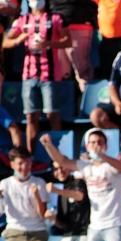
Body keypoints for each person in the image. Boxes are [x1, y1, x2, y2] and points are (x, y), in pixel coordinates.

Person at [41, 129, 121, 241]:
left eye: (100, 142)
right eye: (92, 142)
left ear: (106, 146)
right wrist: (48, 145)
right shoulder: (85, 167)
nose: (96, 145)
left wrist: (102, 155)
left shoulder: (110, 165)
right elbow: (62, 161)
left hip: (116, 224)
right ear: (87, 146)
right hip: (95, 226)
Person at [2, 0, 71, 153]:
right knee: (31, 116)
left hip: (50, 74)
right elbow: (5, 42)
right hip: (29, 74)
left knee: (52, 113)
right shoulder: (22, 20)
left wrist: (48, 44)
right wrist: (18, 40)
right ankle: (29, 155)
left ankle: (58, 153)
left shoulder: (55, 19)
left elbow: (68, 40)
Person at [0, 147, 48, 241]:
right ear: (12, 164)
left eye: (28, 163)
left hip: (37, 231)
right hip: (14, 231)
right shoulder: (5, 184)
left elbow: (42, 214)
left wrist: (37, 196)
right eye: (20, 163)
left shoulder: (39, 182)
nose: (25, 167)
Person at [48, 163, 90, 241]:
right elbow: (63, 224)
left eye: (62, 167)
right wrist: (54, 219)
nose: (60, 171)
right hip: (68, 236)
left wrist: (57, 190)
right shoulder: (61, 191)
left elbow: (79, 196)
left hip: (84, 235)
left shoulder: (78, 182)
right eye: (56, 169)